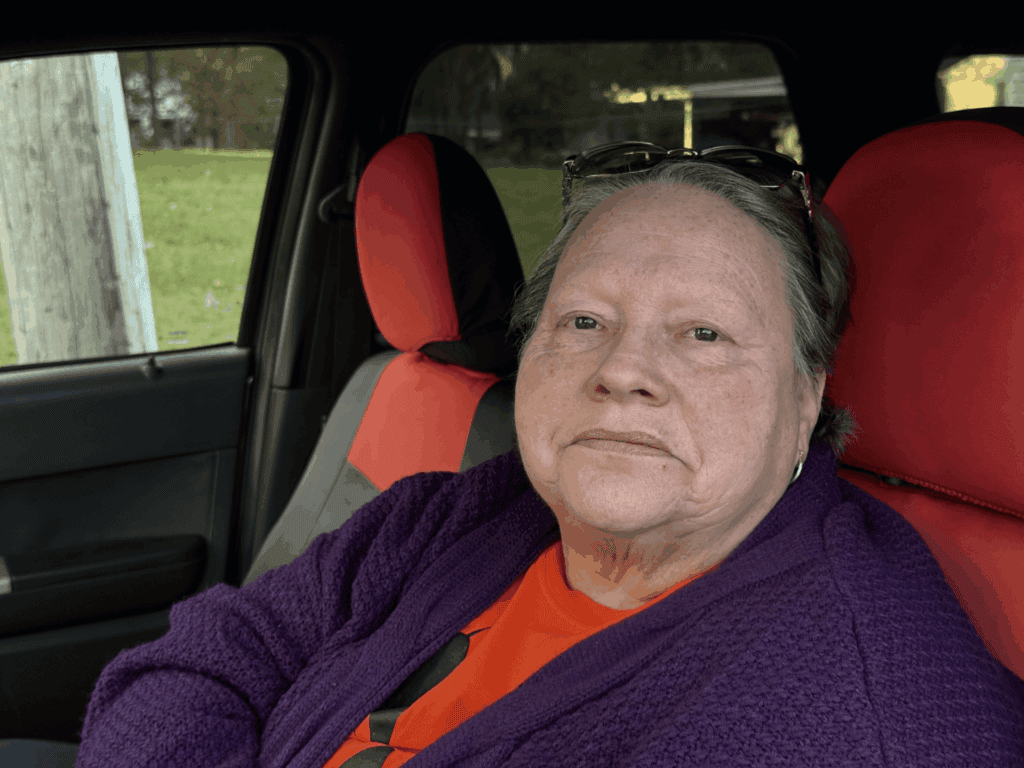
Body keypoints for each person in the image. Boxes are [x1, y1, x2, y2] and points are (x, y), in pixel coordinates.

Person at [75, 144, 1024, 767]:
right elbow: (206, 654)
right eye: (583, 319)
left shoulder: (845, 717)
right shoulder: (464, 512)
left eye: (702, 333)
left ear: (806, 396)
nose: (623, 370)